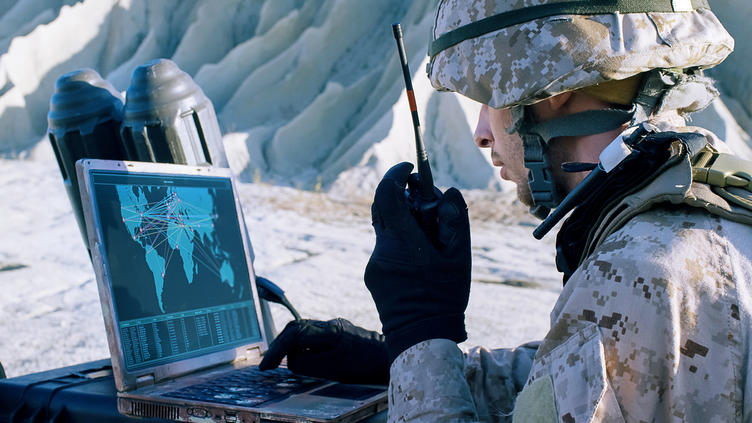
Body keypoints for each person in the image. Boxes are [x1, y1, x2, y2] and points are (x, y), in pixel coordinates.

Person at [262, 1, 752, 421]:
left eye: (488, 99)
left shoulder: (635, 271)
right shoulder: (706, 205)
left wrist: (419, 332)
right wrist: (393, 358)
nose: (481, 132)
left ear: (550, 85)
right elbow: (573, 381)